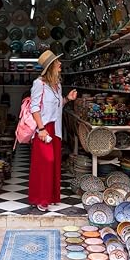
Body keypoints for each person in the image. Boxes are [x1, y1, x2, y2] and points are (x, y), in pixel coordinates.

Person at [29, 50, 77, 212]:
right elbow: (34, 108)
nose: (60, 64)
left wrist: (67, 99)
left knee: (54, 163)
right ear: (50, 67)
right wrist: (41, 129)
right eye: (57, 62)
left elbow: (57, 105)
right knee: (46, 162)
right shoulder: (39, 84)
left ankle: (51, 197)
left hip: (55, 129)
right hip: (44, 128)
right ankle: (40, 199)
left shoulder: (57, 85)